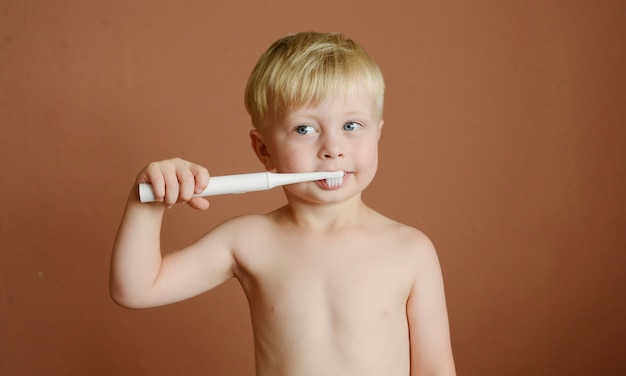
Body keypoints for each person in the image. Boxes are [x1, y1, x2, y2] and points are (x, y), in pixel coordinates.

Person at [110, 31, 456, 375]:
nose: (333, 148)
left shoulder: (410, 250)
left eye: (352, 125)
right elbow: (136, 289)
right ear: (264, 150)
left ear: (377, 133)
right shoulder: (247, 240)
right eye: (305, 129)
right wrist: (147, 200)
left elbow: (435, 369)